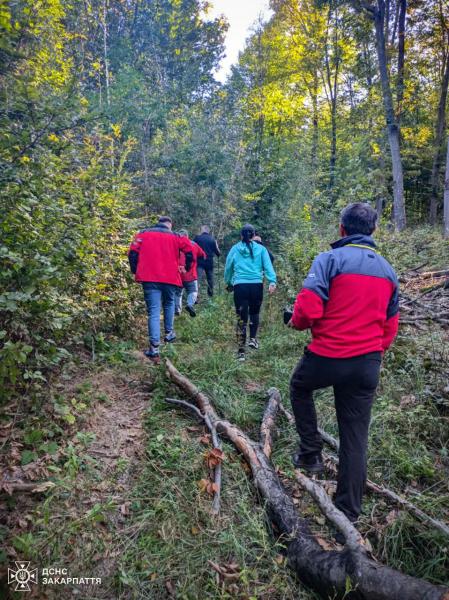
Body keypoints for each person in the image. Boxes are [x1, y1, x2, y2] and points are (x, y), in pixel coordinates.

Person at [288, 202, 399, 535]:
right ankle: (348, 513)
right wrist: (370, 354)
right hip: (366, 364)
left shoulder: (329, 260)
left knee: (299, 386)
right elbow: (390, 327)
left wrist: (295, 322)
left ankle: (310, 455)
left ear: (341, 229)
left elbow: (308, 309)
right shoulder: (388, 270)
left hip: (326, 355)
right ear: (373, 232)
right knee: (355, 436)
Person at [128, 216, 193, 363]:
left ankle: (154, 348)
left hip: (149, 277)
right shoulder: (177, 236)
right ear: (169, 225)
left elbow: (132, 252)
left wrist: (135, 269)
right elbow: (189, 251)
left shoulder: (143, 234)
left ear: (158, 223)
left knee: (154, 311)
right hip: (171, 277)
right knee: (169, 303)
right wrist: (187, 267)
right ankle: (169, 333)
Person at [224, 224, 277, 361]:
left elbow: (228, 267)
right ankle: (253, 339)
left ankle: (241, 351)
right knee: (254, 313)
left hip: (240, 286)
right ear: (254, 235)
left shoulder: (235, 249)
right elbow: (268, 266)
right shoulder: (261, 249)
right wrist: (272, 281)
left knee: (241, 317)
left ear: (241, 235)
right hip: (256, 286)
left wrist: (229, 283)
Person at [175, 229, 206, 317]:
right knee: (193, 291)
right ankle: (190, 304)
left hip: (178, 274)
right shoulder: (193, 244)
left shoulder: (174, 244)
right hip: (190, 273)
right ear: (187, 236)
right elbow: (203, 255)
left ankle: (177, 310)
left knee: (178, 292)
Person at [194, 226, 221, 298]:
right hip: (209, 261)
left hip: (199, 261)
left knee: (197, 279)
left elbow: (192, 247)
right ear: (208, 231)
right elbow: (218, 253)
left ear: (202, 230)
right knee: (210, 278)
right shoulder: (212, 239)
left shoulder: (197, 238)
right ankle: (210, 294)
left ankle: (196, 296)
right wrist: (217, 247)